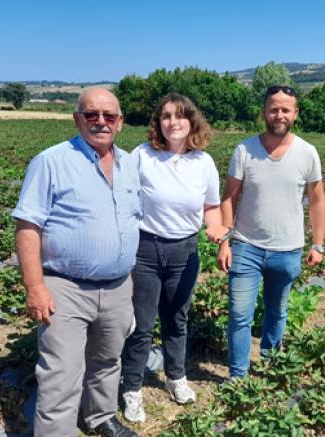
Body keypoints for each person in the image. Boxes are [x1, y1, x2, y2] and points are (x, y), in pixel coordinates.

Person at [12, 87, 140, 437]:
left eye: (109, 116)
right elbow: (27, 226)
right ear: (77, 119)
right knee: (61, 373)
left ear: (120, 123)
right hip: (65, 287)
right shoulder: (51, 161)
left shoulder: (130, 164)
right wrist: (35, 286)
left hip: (117, 286)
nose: (101, 122)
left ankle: (100, 417)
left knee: (107, 360)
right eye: (91, 114)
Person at [120, 93, 227, 423]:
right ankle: (132, 389)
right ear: (158, 123)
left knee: (177, 319)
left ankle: (176, 377)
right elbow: (123, 195)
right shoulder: (143, 155)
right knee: (141, 322)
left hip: (184, 251)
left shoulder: (203, 162)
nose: (173, 122)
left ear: (192, 121)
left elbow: (211, 207)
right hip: (146, 250)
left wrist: (216, 228)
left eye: (180, 116)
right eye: (166, 116)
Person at [217, 85, 325, 378]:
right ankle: (238, 376)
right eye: (274, 109)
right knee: (240, 313)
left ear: (295, 114)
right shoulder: (244, 150)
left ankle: (268, 364)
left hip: (288, 249)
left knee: (277, 312)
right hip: (246, 246)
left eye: (285, 109)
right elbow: (229, 198)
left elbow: (317, 200)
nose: (279, 115)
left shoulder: (307, 153)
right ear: (264, 112)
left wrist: (318, 244)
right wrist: (225, 242)